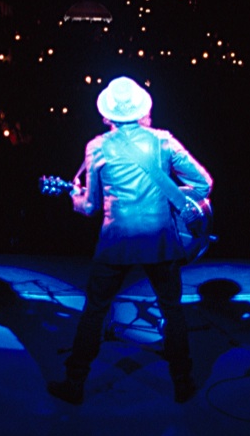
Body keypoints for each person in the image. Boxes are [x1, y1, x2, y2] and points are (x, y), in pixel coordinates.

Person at [47, 76, 213, 404]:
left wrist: (75, 198)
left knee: (95, 311)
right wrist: (173, 199)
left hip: (116, 242)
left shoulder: (96, 147)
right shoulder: (163, 141)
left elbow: (90, 207)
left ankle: (75, 383)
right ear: (142, 109)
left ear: (107, 114)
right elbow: (204, 184)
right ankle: (182, 382)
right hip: (160, 240)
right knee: (172, 310)